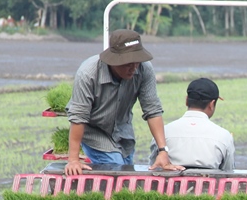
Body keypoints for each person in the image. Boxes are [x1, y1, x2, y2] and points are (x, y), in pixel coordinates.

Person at [65, 29, 180, 176]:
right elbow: (78, 116)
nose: (133, 68)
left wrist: (163, 151)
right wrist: (73, 159)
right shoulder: (89, 73)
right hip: (94, 131)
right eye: (127, 63)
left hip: (124, 133)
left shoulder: (144, 70)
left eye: (137, 62)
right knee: (117, 170)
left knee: (126, 174)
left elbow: (152, 110)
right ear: (113, 60)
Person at [150, 78, 235, 171]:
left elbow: (154, 166)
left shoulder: (162, 132)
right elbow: (228, 172)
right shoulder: (224, 136)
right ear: (212, 104)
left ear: (186, 100)